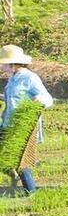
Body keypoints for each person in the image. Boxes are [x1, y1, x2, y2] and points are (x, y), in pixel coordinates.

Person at [0, 45, 53, 195]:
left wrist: (38, 99)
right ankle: (22, 186)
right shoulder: (12, 79)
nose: (1, 66)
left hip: (22, 127)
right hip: (8, 123)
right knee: (8, 156)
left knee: (20, 161)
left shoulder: (29, 77)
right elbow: (14, 100)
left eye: (3, 63)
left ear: (13, 63)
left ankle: (30, 193)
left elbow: (48, 99)